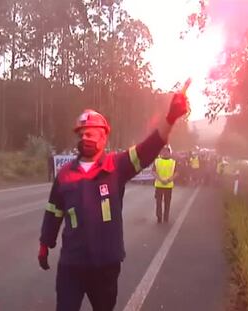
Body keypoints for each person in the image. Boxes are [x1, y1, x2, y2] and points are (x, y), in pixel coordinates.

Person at [37, 91, 189, 311]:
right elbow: (53, 211)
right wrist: (45, 243)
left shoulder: (116, 166)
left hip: (105, 266)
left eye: (91, 133)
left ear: (103, 137)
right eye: (81, 134)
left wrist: (171, 118)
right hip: (71, 265)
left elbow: (150, 147)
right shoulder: (65, 175)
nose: (85, 138)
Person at [152, 145, 178, 223]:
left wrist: (168, 180)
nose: (165, 153)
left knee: (167, 203)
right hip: (160, 185)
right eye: (164, 151)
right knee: (159, 202)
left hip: (167, 185)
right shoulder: (157, 161)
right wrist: (161, 179)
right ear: (161, 152)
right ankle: (159, 217)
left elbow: (176, 173)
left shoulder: (173, 162)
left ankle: (166, 217)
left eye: (166, 151)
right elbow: (153, 172)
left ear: (169, 152)